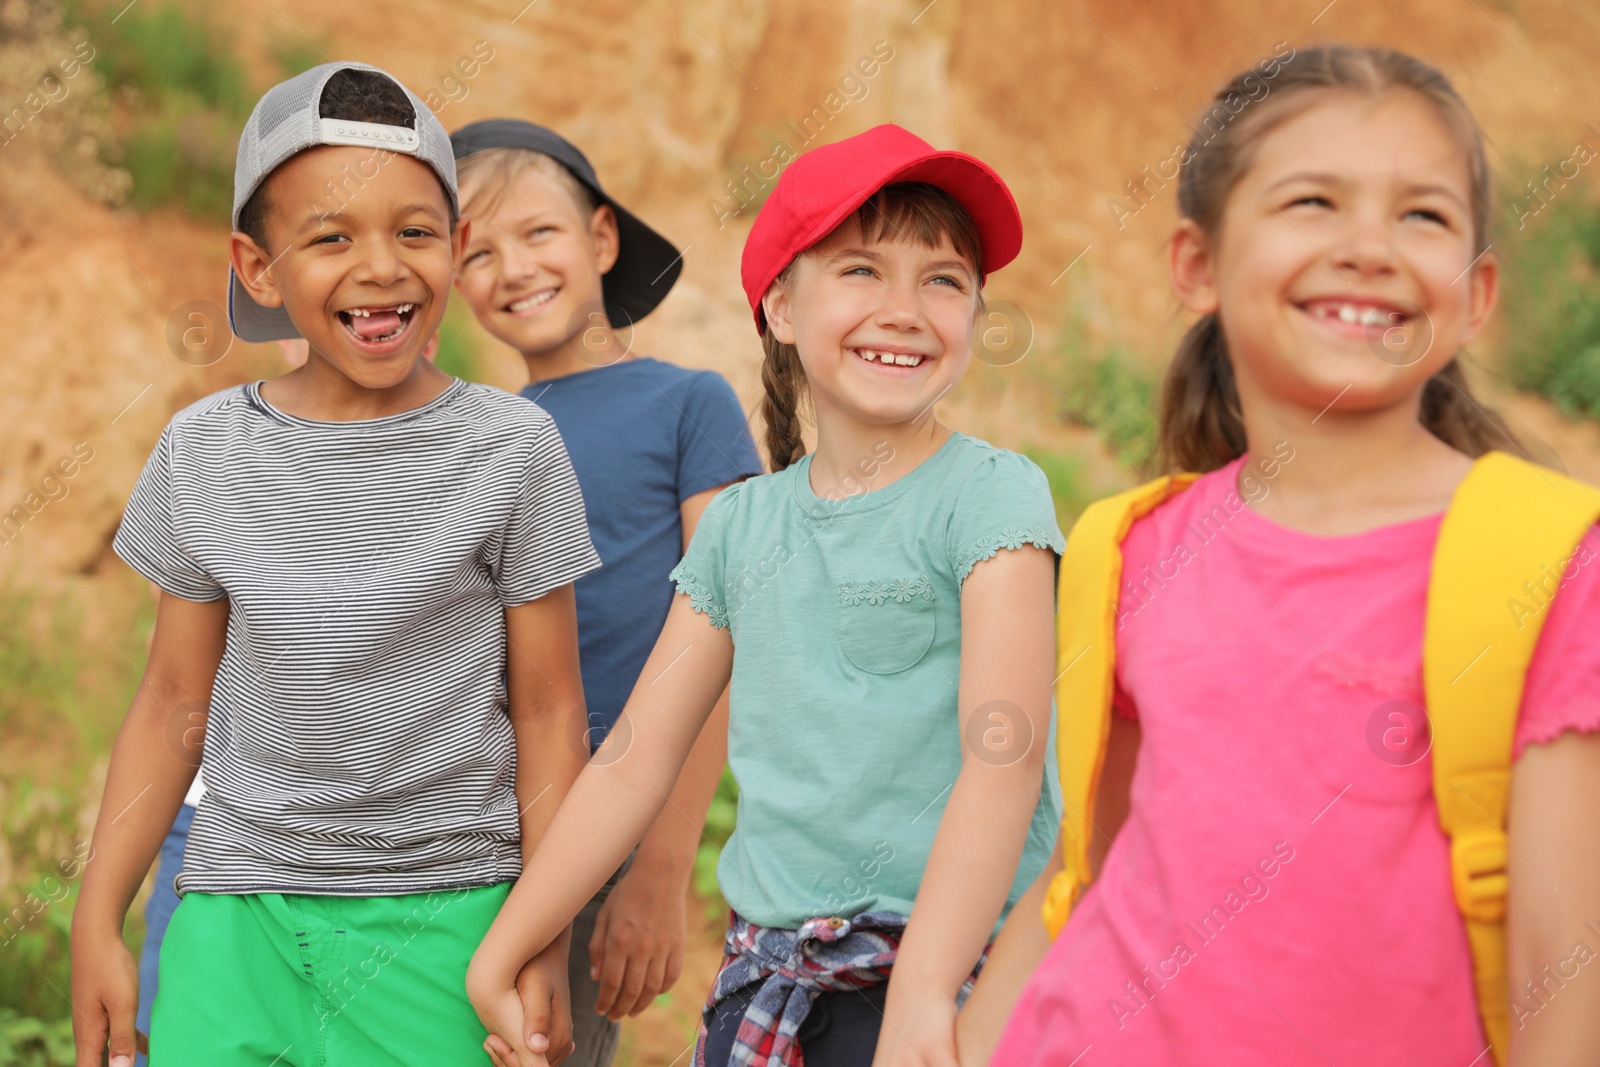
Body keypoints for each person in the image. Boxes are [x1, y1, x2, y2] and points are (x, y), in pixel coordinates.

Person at [959, 45, 1600, 1067]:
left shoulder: (1551, 559)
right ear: (1196, 266)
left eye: (1421, 214)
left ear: (1476, 296)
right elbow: (1089, 868)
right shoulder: (1129, 546)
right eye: (1313, 201)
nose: (1368, 246)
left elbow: (1562, 974)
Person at [468, 123, 1064, 1067]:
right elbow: (630, 760)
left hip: (955, 981)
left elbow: (1005, 756)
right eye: (862, 271)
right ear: (782, 306)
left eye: (943, 279)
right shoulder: (746, 527)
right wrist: (501, 952)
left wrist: (919, 998)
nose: (905, 308)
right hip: (769, 985)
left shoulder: (992, 497)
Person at [70, 61, 599, 1066]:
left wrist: (540, 932)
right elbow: (173, 697)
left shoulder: (514, 449)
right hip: (235, 918)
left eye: (414, 231)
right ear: (258, 266)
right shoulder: (201, 448)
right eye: (329, 237)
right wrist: (98, 912)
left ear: (456, 248)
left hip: (449, 924)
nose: (381, 266)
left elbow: (548, 712)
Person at [449, 118, 765, 1067]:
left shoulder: (688, 403)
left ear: (600, 239)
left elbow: (724, 629)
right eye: (477, 252)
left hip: (611, 825)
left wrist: (662, 862)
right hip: (470, 826)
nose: (513, 268)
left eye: (540, 234)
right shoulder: (479, 432)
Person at [129, 335, 440, 1067]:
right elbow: (179, 671)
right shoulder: (223, 448)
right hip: (219, 823)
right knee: (169, 1028)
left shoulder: (471, 455)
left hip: (399, 854)